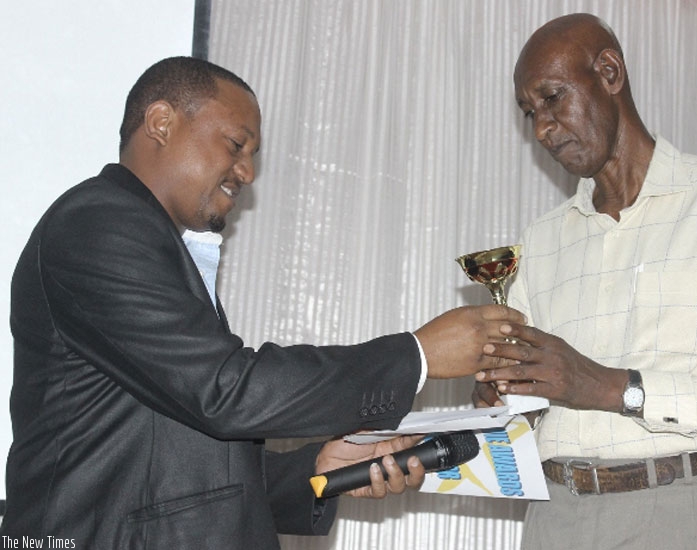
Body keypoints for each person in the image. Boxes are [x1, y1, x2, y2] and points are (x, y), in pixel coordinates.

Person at [1, 56, 526, 549]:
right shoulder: (98, 223)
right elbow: (226, 392)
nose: (247, 173)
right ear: (160, 123)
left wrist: (319, 470)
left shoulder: (144, 239)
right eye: (235, 144)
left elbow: (182, 461)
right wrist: (418, 356)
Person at [473, 13, 697, 549]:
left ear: (609, 72)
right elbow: (529, 406)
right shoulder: (541, 241)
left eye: (552, 98)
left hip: (693, 510)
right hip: (557, 518)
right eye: (529, 112)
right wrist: (502, 402)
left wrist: (614, 388)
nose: (541, 127)